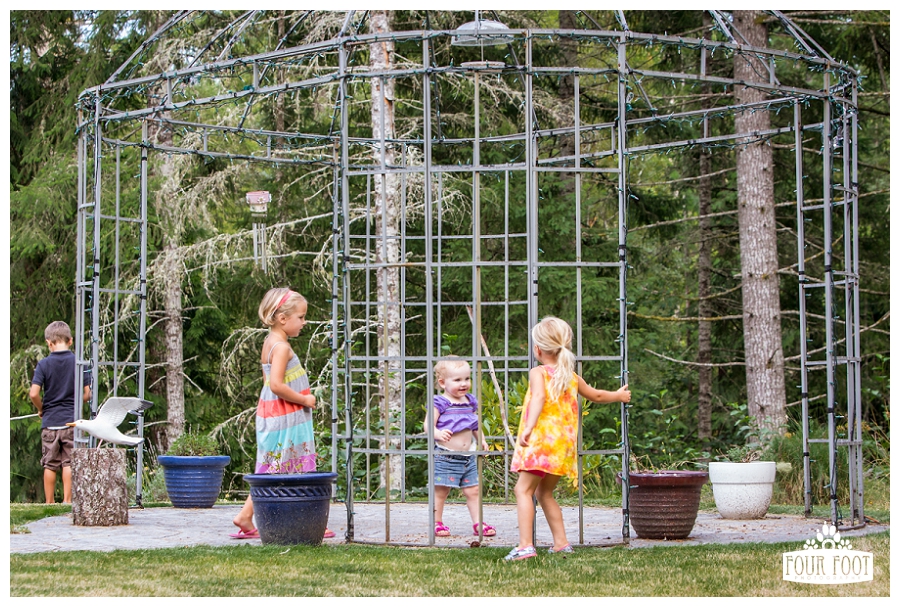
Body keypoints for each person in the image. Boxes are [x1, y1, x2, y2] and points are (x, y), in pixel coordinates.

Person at [505, 316, 631, 561]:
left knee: (523, 490)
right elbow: (596, 395)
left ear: (538, 349)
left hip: (541, 443)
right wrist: (618, 396)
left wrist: (528, 428)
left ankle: (525, 546)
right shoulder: (570, 377)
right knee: (544, 493)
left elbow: (539, 398)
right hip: (562, 447)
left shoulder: (538, 373)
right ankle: (561, 543)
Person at [231, 288, 334, 539]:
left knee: (274, 466)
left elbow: (267, 382)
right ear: (282, 318)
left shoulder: (270, 343)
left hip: (274, 413)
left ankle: (246, 515)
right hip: (286, 416)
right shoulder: (282, 348)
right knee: (293, 466)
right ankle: (309, 521)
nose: (304, 322)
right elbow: (276, 385)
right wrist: (305, 399)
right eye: (301, 317)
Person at [431, 357, 495, 538]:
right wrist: (438, 433)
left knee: (473, 490)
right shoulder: (440, 402)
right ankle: (436, 522)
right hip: (447, 455)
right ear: (442, 383)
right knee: (441, 491)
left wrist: (481, 440)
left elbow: (474, 425)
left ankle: (478, 522)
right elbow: (429, 425)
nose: (464, 383)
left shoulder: (469, 401)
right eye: (457, 380)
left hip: (467, 457)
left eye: (467, 378)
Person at [29, 321, 91, 504]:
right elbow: (87, 394)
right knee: (69, 462)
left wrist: (42, 409)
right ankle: (67, 501)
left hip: (50, 422)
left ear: (49, 343)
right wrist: (75, 402)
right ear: (70, 341)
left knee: (50, 464)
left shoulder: (43, 364)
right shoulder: (79, 363)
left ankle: (49, 503)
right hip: (71, 421)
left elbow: (34, 393)